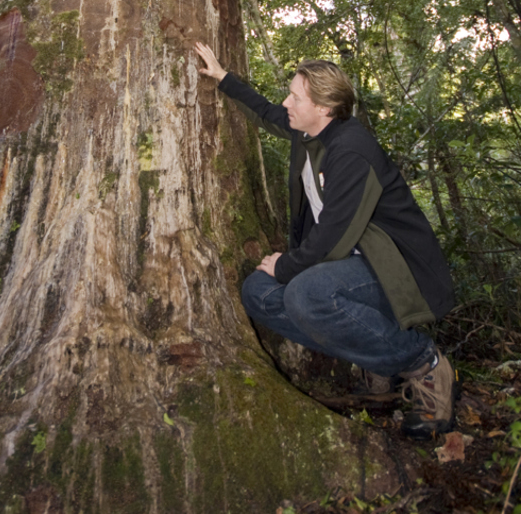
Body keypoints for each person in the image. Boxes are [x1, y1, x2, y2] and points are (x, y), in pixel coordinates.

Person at [195, 42, 457, 440]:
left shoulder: (351, 149)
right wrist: (223, 77)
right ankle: (378, 359)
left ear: (323, 107)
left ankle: (423, 363)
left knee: (305, 295)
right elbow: (268, 113)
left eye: (296, 97)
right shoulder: (308, 132)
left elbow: (333, 236)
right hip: (345, 265)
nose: (287, 101)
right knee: (258, 293)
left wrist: (286, 265)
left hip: (392, 267)